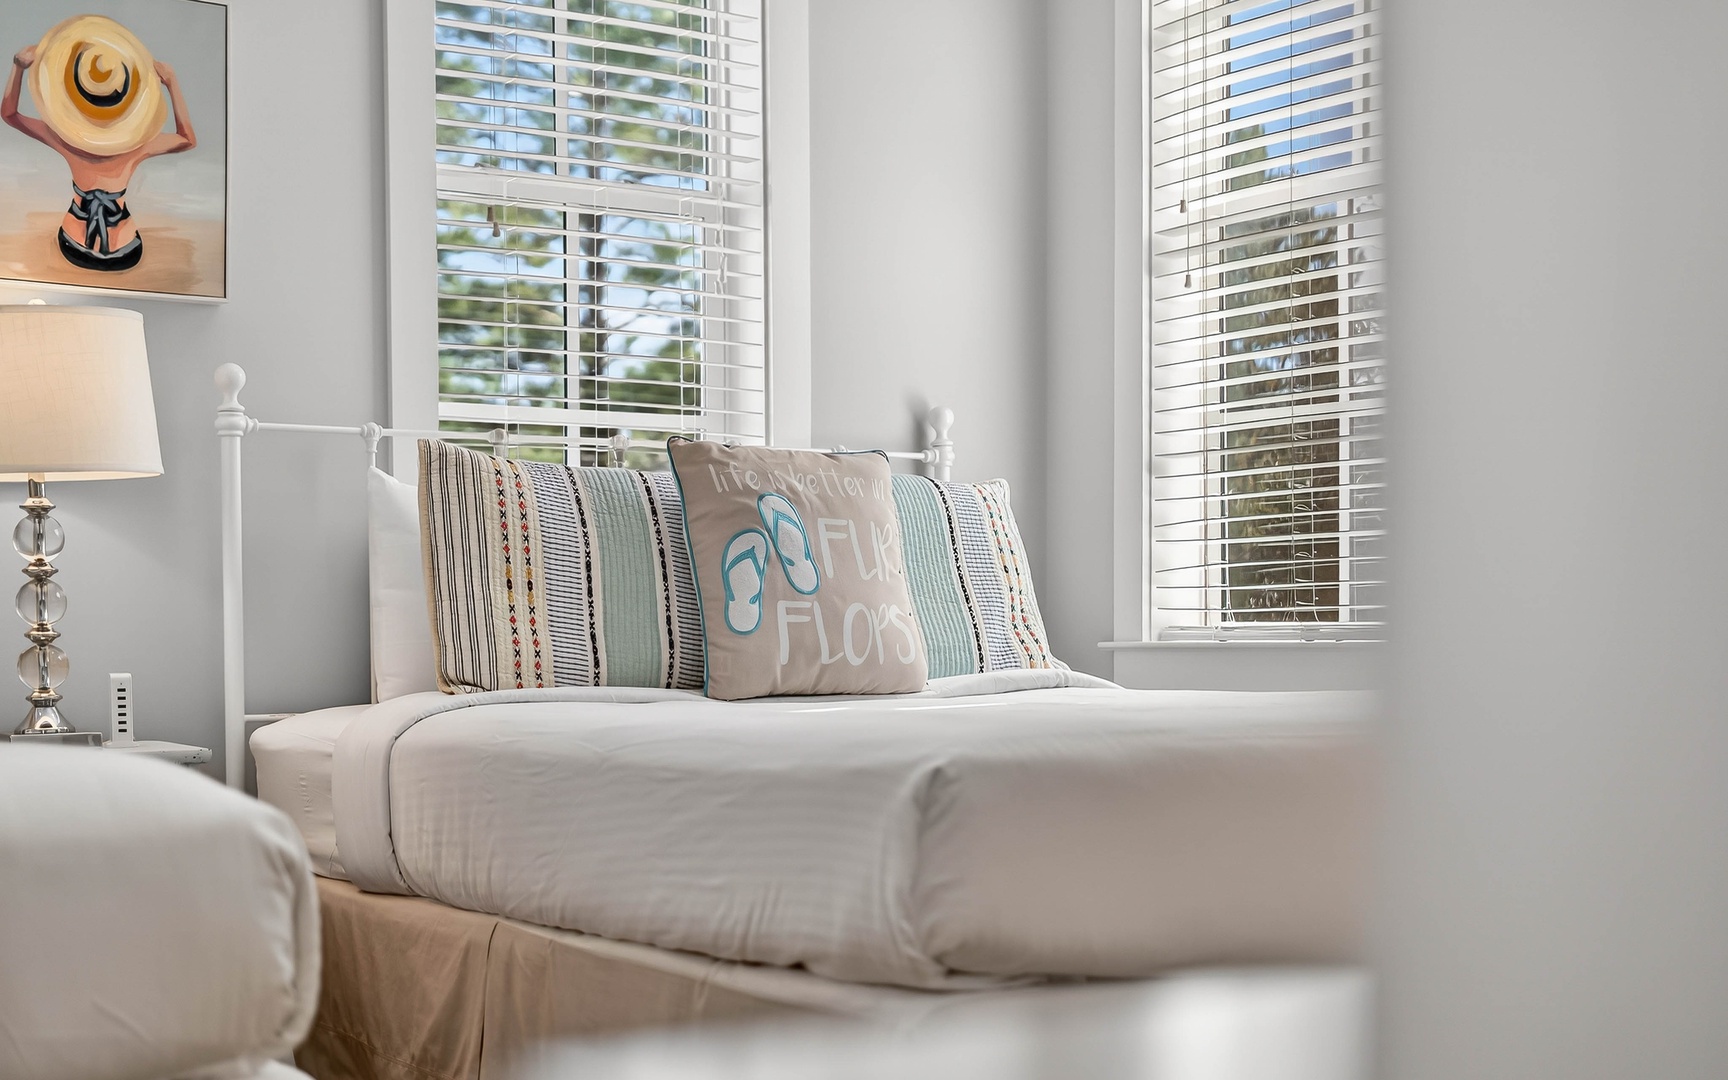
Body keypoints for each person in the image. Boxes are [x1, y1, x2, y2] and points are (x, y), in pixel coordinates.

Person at [2, 17, 196, 273]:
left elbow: (10, 115)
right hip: (127, 250)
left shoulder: (65, 141)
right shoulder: (138, 147)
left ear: (75, 96)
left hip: (73, 244)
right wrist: (172, 83)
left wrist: (18, 67)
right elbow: (187, 139)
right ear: (126, 98)